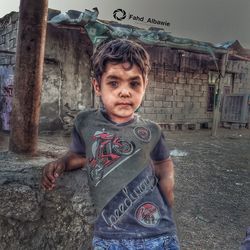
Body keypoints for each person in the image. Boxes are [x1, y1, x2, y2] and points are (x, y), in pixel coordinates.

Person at [41, 38, 180, 250]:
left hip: (157, 234)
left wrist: (168, 197)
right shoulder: (85, 122)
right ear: (97, 85)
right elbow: (80, 156)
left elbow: (163, 164)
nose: (125, 92)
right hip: (109, 236)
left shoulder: (152, 130)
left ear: (145, 86)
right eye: (114, 83)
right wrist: (61, 163)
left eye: (134, 83)